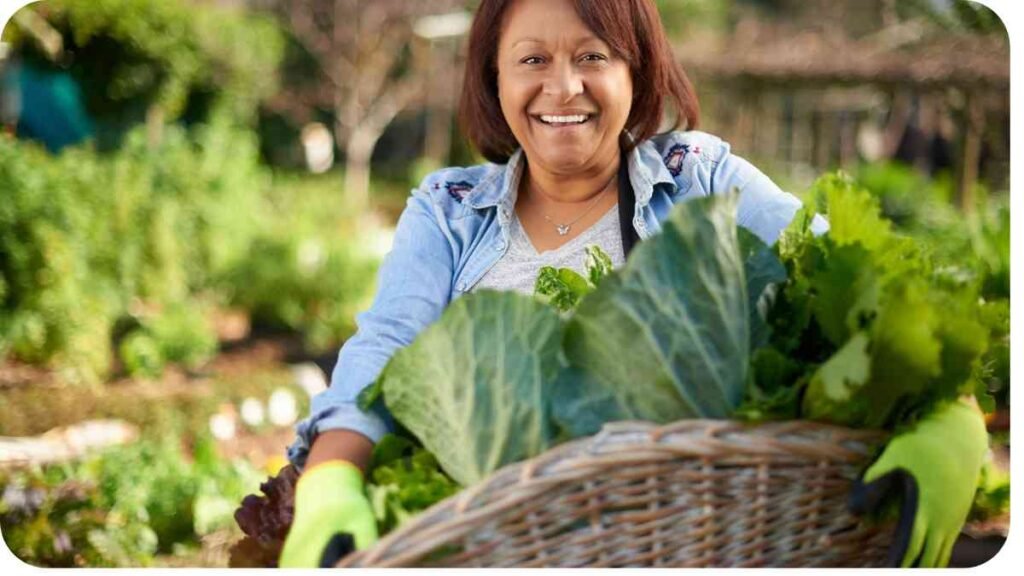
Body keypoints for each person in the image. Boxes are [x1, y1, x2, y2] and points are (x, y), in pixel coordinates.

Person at [279, 0, 987, 568]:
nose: (563, 87)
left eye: (593, 56)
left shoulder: (699, 177)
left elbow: (860, 288)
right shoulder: (449, 209)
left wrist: (950, 420)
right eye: (532, 60)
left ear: (637, 72)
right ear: (494, 79)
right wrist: (329, 481)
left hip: (703, 540)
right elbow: (386, 347)